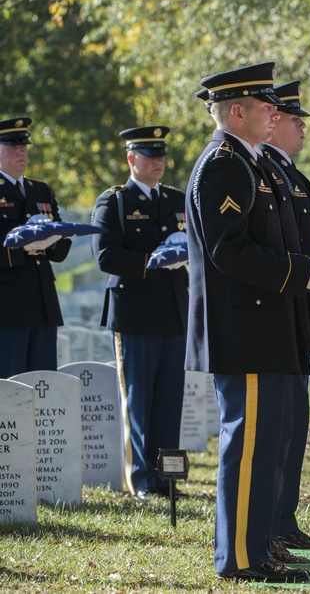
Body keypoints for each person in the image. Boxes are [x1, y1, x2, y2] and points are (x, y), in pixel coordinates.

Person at [185, 62, 310, 583]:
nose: (275, 113)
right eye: (265, 106)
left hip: (265, 326)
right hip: (246, 329)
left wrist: (307, 272)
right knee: (248, 446)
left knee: (261, 446)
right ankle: (239, 557)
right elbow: (229, 252)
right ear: (238, 111)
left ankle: (259, 548)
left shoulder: (249, 163)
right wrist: (303, 273)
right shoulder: (224, 165)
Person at [91, 126, 188, 499]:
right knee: (139, 400)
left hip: (174, 311)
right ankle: (142, 480)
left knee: (169, 401)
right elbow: (106, 256)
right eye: (149, 155)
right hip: (135, 313)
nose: (158, 161)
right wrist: (153, 261)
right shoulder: (114, 201)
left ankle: (168, 479)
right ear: (131, 159)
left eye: (161, 155)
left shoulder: (178, 199)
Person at [258, 81, 310, 553]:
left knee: (295, 421)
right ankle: (272, 522)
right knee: (279, 426)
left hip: (300, 306)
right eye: (292, 118)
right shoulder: (263, 171)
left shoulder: (291, 176)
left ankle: (284, 518)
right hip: (279, 307)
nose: (300, 125)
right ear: (271, 125)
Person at [0, 117, 73, 378]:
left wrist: (52, 240)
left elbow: (63, 247)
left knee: (45, 389)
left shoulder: (41, 191)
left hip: (43, 305)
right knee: (10, 388)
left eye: (23, 146)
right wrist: (24, 247)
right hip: (7, 309)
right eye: (11, 146)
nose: (20, 151)